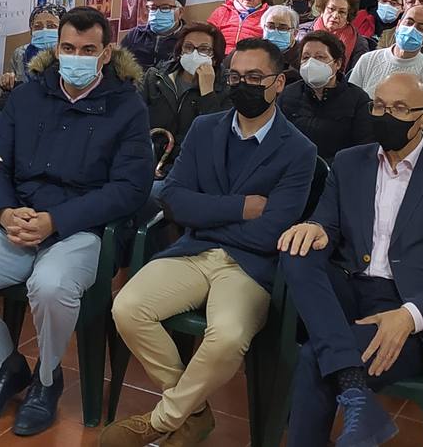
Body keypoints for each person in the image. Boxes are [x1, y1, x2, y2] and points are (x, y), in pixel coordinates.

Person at [0, 7, 152, 435]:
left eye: (88, 49)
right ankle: (5, 368)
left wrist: (57, 220)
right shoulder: (28, 96)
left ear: (106, 53)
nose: (76, 56)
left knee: (50, 286)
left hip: (79, 229)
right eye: (68, 48)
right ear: (57, 48)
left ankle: (47, 379)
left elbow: (129, 189)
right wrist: (2, 211)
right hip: (17, 220)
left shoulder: (126, 107)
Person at [105, 40, 316, 447]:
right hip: (192, 251)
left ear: (277, 83)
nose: (243, 86)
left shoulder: (298, 151)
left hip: (251, 268)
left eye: (255, 78)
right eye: (235, 77)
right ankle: (194, 413)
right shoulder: (206, 128)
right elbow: (175, 199)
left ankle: (164, 420)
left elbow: (272, 231)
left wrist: (207, 214)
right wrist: (240, 208)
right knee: (128, 308)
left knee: (228, 335)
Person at [278, 73, 423, 447]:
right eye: (379, 105)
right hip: (348, 292)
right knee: (296, 250)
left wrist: (410, 316)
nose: (385, 115)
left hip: (407, 307)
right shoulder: (349, 161)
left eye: (401, 109)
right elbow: (327, 222)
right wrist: (314, 228)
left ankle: (353, 398)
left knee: (313, 358)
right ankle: (356, 391)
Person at [141, 21, 230, 169]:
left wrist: (208, 93)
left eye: (203, 49)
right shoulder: (155, 78)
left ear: (214, 58)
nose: (194, 54)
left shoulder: (226, 88)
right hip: (149, 159)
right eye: (188, 47)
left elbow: (217, 136)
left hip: (192, 166)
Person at [278, 30, 373, 161]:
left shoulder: (358, 100)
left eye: (320, 57)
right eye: (305, 57)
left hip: (338, 173)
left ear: (337, 63)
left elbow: (363, 148)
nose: (311, 63)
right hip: (293, 168)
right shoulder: (288, 94)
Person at [348, 4, 423, 94]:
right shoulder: (368, 60)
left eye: (421, 28)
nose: (412, 29)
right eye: (409, 22)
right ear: (398, 25)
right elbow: (351, 98)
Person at [0, 3, 64, 108]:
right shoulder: (21, 54)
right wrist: (6, 81)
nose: (44, 30)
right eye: (37, 27)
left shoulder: (68, 56)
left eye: (51, 26)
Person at [297, 0, 373, 74]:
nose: (335, 15)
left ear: (348, 17)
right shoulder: (303, 32)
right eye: (331, 9)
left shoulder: (359, 43)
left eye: (341, 12)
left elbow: (357, 75)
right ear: (322, 10)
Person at [123, 0, 190, 70]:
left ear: (180, 12)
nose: (158, 12)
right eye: (153, 8)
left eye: (165, 8)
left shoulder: (188, 39)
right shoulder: (135, 35)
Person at [207, 0, 271, 51]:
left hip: (250, 60)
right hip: (220, 58)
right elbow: (206, 38)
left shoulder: (269, 16)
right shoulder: (222, 11)